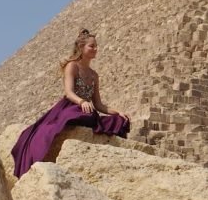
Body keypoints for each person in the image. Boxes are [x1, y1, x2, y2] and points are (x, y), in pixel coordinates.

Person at [11, 29, 130, 177]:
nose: (95, 49)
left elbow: (99, 104)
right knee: (75, 114)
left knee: (118, 120)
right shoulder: (72, 66)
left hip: (87, 110)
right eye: (91, 46)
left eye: (96, 46)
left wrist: (118, 112)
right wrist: (81, 101)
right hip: (70, 106)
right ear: (81, 48)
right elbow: (69, 92)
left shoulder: (94, 75)